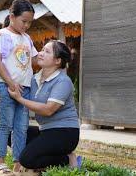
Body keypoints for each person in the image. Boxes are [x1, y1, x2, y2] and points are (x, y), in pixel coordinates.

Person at [7, 40, 81, 170]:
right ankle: (53, 155)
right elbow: (16, 93)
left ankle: (66, 159)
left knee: (26, 159)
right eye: (42, 50)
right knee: (11, 134)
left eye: (47, 52)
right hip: (45, 130)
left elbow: (48, 110)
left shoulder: (63, 81)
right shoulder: (34, 79)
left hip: (65, 133)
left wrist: (19, 99)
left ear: (57, 60)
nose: (40, 54)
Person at [0, 0, 38, 175]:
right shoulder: (1, 35)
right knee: (5, 124)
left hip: (24, 89)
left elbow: (34, 59)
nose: (27, 25)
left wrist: (56, 54)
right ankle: (0, 163)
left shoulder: (27, 38)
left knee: (21, 127)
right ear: (12, 16)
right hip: (5, 86)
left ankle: (18, 164)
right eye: (24, 21)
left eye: (29, 22)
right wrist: (11, 83)